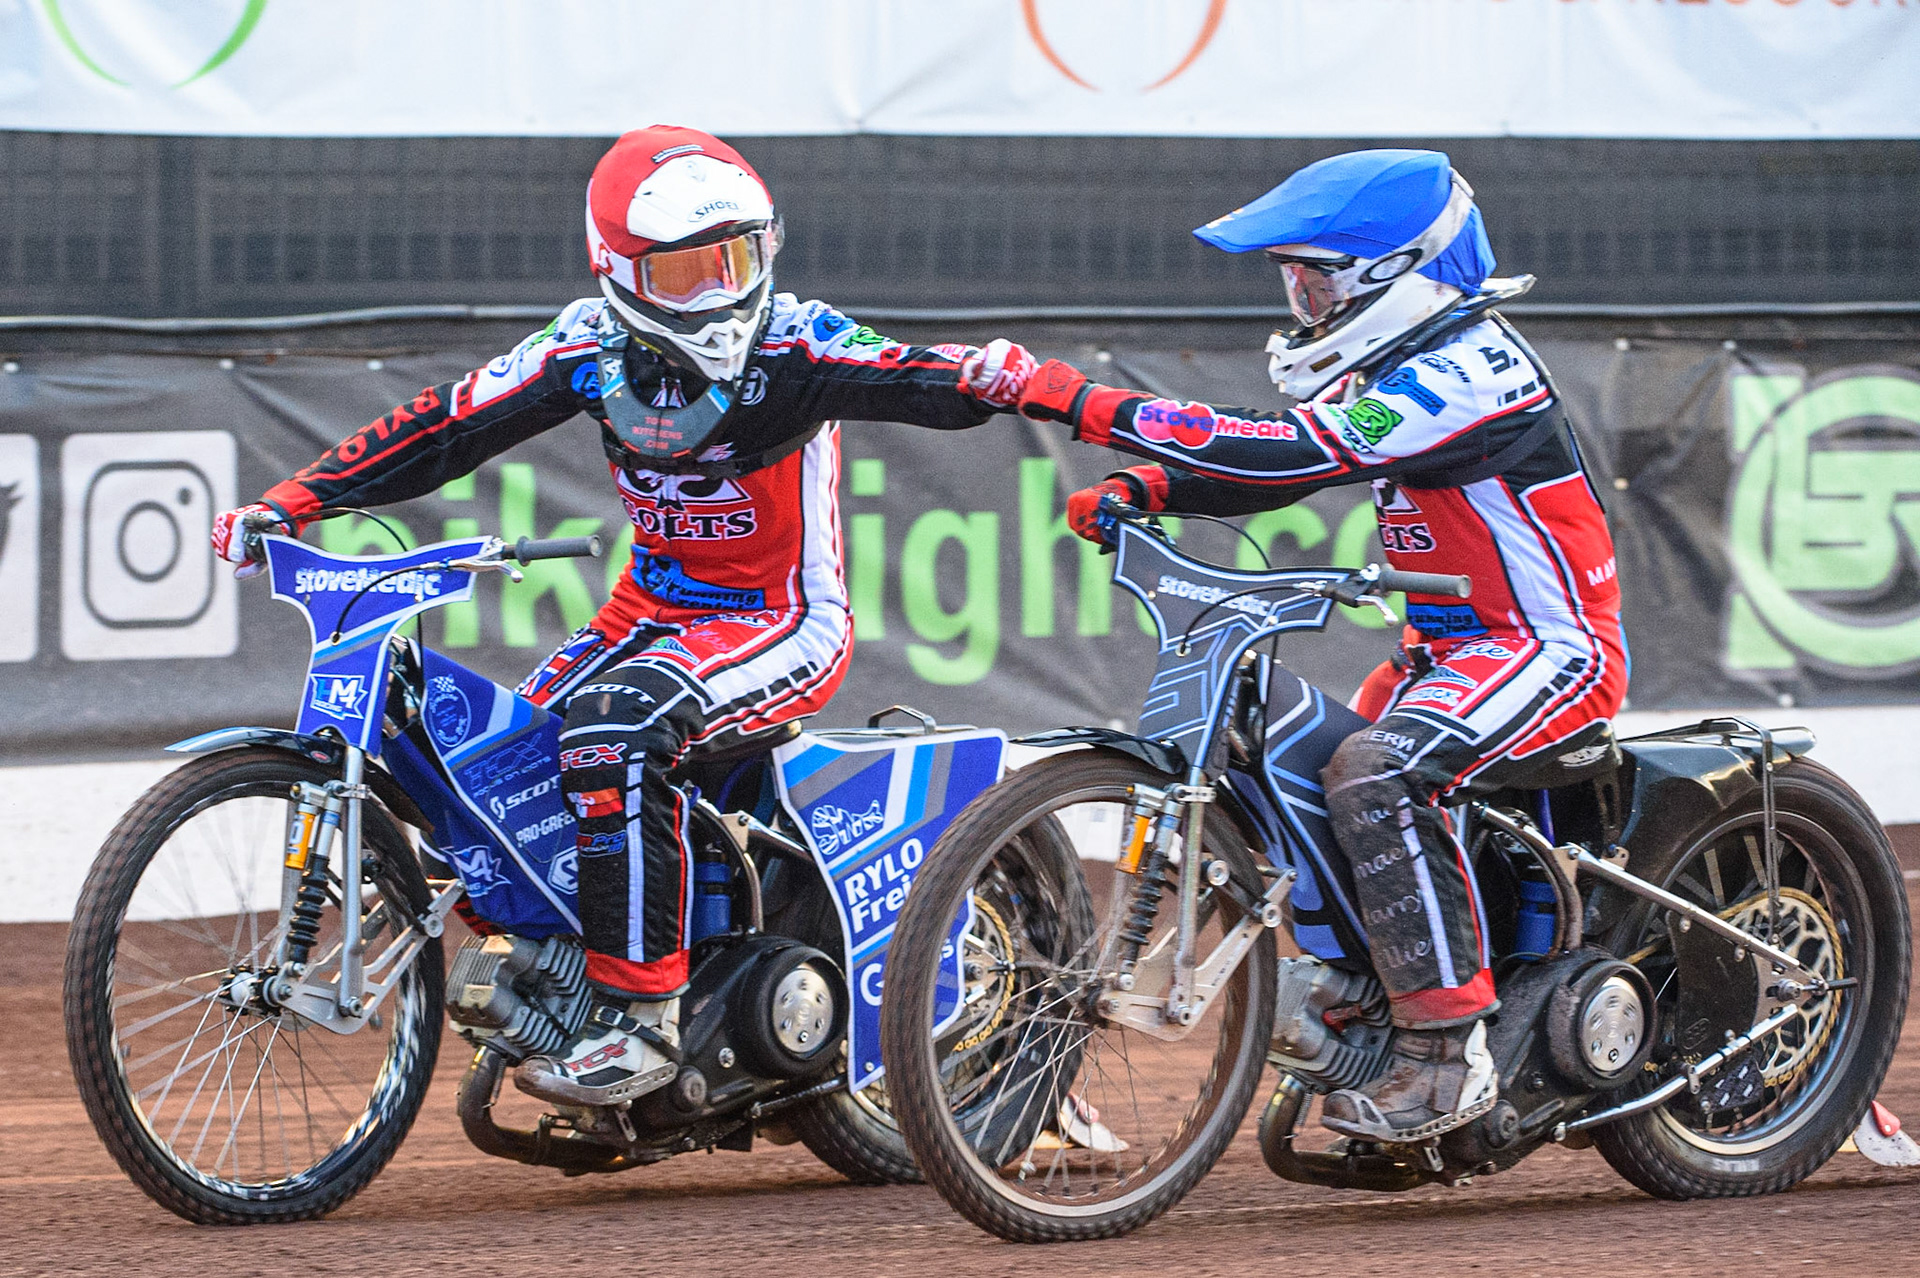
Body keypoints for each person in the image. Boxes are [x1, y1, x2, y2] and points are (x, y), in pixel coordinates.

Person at [210, 125, 1035, 1108]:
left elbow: (916, 376)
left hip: (781, 617)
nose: (720, 291)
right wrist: (293, 502)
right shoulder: (583, 348)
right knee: (495, 776)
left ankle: (643, 1019)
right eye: (686, 271)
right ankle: (571, 982)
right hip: (648, 613)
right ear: (618, 272)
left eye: (738, 258)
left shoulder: (794, 341)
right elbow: (443, 425)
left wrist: (987, 378)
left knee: (610, 740)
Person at [1016, 150, 1627, 1143]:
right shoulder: (1400, 368)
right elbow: (1280, 458)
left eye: (1316, 276)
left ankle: (1447, 1055)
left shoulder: (1472, 367)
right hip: (1444, 651)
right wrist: (1157, 489)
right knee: (1291, 762)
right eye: (1291, 278)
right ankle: (1361, 996)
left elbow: (1299, 453)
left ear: (1395, 273)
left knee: (1376, 771)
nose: (1299, 300)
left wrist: (1084, 404)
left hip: (1548, 647)